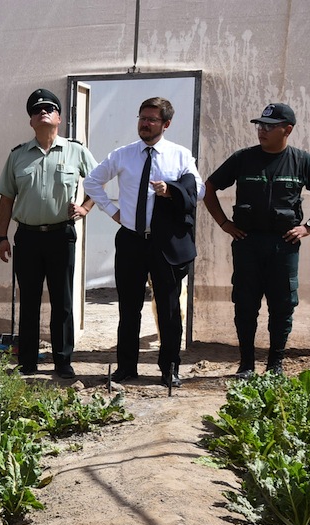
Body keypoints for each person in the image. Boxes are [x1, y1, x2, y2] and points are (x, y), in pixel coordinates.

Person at [83, 97, 204, 387]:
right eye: (142, 118)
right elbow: (91, 182)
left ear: (166, 124)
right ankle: (126, 367)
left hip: (165, 243)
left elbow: (198, 190)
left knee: (169, 307)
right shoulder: (123, 155)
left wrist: (170, 191)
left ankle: (169, 368)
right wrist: (114, 212)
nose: (145, 123)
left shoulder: (180, 155)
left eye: (151, 119)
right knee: (129, 307)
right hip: (131, 240)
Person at [203, 103, 310, 377]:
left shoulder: (301, 161)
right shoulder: (243, 158)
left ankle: (275, 364)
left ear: (287, 129)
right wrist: (224, 224)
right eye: (260, 125)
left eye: (269, 126)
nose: (262, 131)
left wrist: (308, 227)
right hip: (247, 244)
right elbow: (208, 187)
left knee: (282, 306)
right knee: (245, 303)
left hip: (283, 246)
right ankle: (247, 364)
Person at [0, 88, 98, 379]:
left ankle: (63, 362)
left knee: (62, 301)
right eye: (37, 110)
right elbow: (6, 199)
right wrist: (2, 237)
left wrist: (86, 207)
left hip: (60, 236)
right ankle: (27, 362)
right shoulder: (17, 156)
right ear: (31, 122)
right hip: (27, 237)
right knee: (28, 300)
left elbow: (98, 184)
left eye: (49, 109)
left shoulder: (76, 151)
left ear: (59, 118)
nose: (43, 112)